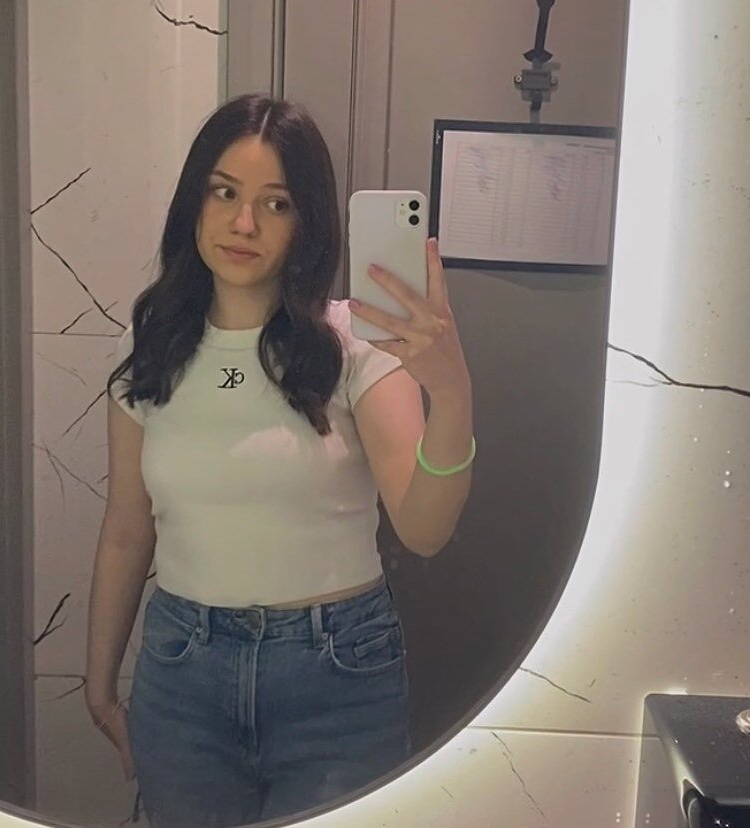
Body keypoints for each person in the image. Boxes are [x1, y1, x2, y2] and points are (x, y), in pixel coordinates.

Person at [84, 93, 475, 828]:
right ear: (194, 201)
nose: (243, 223)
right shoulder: (150, 344)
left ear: (307, 222)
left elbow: (424, 530)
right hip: (182, 673)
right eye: (224, 193)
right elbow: (127, 528)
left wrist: (452, 397)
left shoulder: (355, 345)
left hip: (337, 678)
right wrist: (98, 679)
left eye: (276, 204)